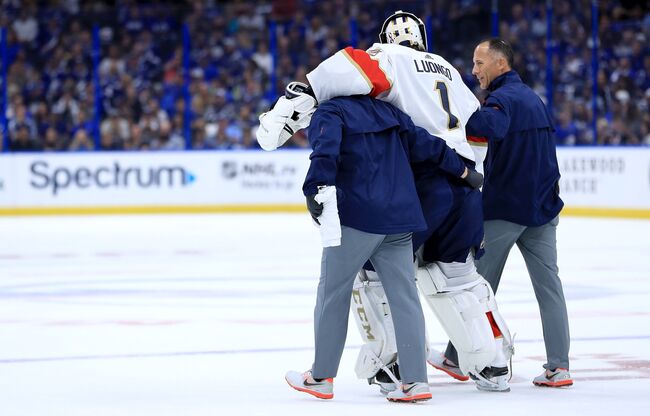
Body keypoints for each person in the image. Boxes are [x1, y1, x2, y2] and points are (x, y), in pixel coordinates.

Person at [258, 11, 514, 393]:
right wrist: (467, 171)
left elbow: (350, 69)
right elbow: (476, 134)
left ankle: (390, 364)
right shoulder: (447, 70)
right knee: (458, 278)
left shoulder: (389, 58)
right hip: (464, 184)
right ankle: (491, 363)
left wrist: (302, 95)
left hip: (419, 186)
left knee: (373, 277)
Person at [284, 94, 481, 403]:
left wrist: (314, 189)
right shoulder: (390, 111)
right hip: (401, 217)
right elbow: (430, 146)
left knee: (332, 293)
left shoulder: (331, 111)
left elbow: (325, 153)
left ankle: (321, 377)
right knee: (405, 298)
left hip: (357, 218)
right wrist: (464, 172)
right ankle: (416, 381)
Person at [436, 38, 572, 388]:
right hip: (543, 211)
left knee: (476, 285)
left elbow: (487, 127)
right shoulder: (533, 99)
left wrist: (456, 114)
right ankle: (559, 367)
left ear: (500, 64)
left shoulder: (502, 100)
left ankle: (456, 356)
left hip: (505, 212)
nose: (474, 70)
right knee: (549, 289)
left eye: (479, 63)